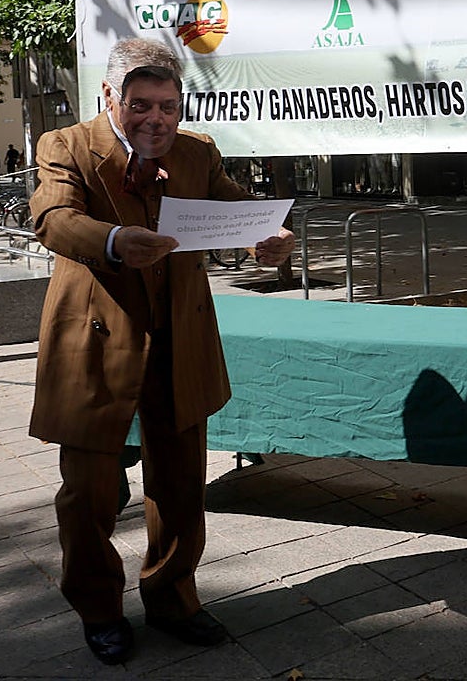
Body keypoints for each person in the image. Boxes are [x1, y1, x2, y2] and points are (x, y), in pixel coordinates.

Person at [28, 38, 295, 665]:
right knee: (90, 491)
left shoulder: (197, 150)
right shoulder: (65, 145)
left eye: (169, 106)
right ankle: (99, 609)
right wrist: (115, 240)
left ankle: (174, 598)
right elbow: (52, 219)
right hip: (96, 342)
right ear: (110, 97)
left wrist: (269, 234)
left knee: (179, 484)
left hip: (181, 339)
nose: (157, 120)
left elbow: (233, 209)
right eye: (141, 105)